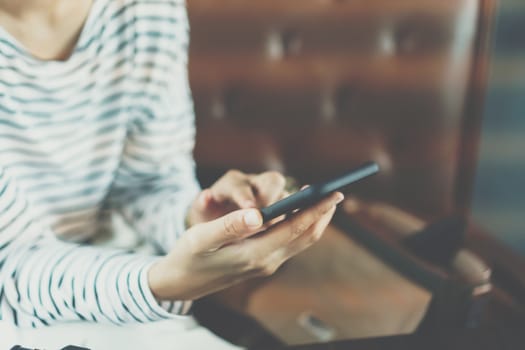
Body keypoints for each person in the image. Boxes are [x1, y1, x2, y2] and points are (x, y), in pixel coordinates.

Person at [0, 0, 343, 327]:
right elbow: (9, 266)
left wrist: (197, 218)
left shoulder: (148, 10)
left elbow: (148, 182)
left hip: (112, 289)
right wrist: (156, 282)